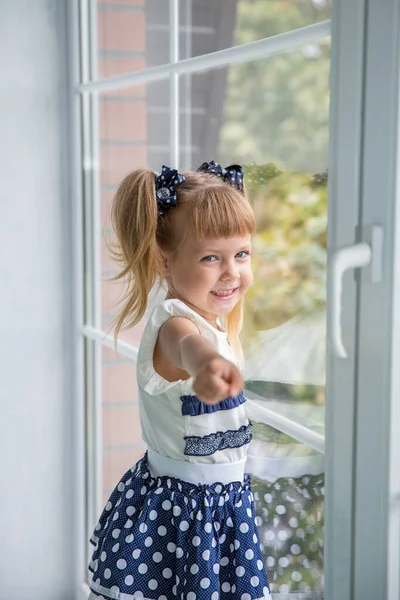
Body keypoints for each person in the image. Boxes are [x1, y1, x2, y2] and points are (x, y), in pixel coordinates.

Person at [88, 161, 271, 600]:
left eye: (241, 254)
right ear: (164, 260)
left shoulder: (215, 322)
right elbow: (188, 348)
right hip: (185, 517)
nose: (231, 272)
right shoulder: (176, 325)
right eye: (211, 257)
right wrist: (207, 366)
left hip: (221, 508)